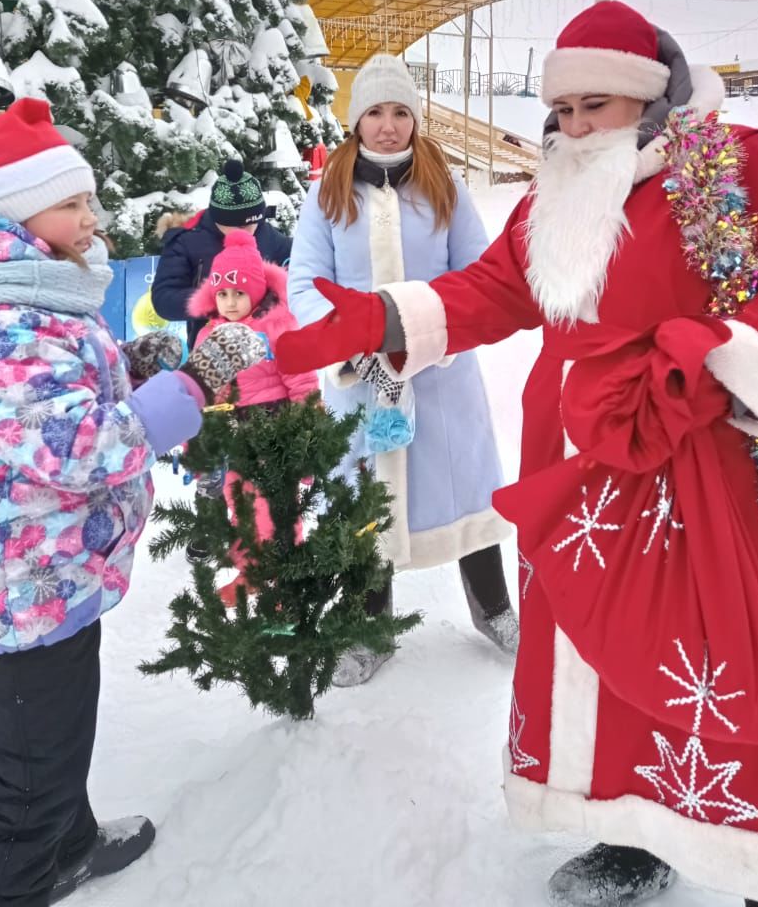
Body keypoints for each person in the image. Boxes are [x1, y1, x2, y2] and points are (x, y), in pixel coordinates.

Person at [275, 0, 758, 907]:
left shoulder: (735, 165)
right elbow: (491, 288)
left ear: (649, 99)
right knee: (599, 654)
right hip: (582, 473)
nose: (574, 125)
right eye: (561, 110)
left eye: (595, 105)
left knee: (726, 655)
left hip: (702, 464)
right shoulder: (554, 191)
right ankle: (632, 830)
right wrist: (388, 317)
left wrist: (716, 369)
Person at [0, 99, 265, 907]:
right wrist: (195, 384)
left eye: (87, 199)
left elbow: (65, 398)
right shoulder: (2, 317)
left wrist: (133, 370)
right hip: (15, 585)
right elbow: (78, 448)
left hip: (48, 570)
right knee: (24, 783)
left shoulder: (29, 289)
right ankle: (10, 886)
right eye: (71, 202)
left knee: (57, 739)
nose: (91, 216)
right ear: (12, 212)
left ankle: (69, 845)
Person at [287, 53, 517, 687]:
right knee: (366, 502)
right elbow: (305, 281)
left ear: (415, 119)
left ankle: (494, 610)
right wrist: (346, 344)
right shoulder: (328, 191)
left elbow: (479, 273)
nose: (388, 126)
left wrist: (435, 332)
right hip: (360, 380)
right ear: (355, 120)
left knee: (466, 491)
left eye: (399, 113)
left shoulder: (444, 184)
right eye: (374, 113)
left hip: (440, 372)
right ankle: (368, 630)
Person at [186, 228, 319, 592]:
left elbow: (302, 382)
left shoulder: (277, 327)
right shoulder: (209, 333)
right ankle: (252, 572)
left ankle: (285, 578)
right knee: (239, 503)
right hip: (231, 434)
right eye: (222, 293)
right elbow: (200, 388)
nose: (229, 302)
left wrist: (307, 431)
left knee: (274, 505)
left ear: (257, 291)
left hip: (272, 429)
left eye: (239, 293)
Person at [152, 157, 293, 349]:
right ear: (217, 218)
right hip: (211, 352)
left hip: (264, 351)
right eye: (235, 225)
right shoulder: (188, 240)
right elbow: (163, 300)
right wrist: (218, 298)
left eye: (251, 223)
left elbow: (298, 275)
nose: (245, 231)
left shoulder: (268, 236)